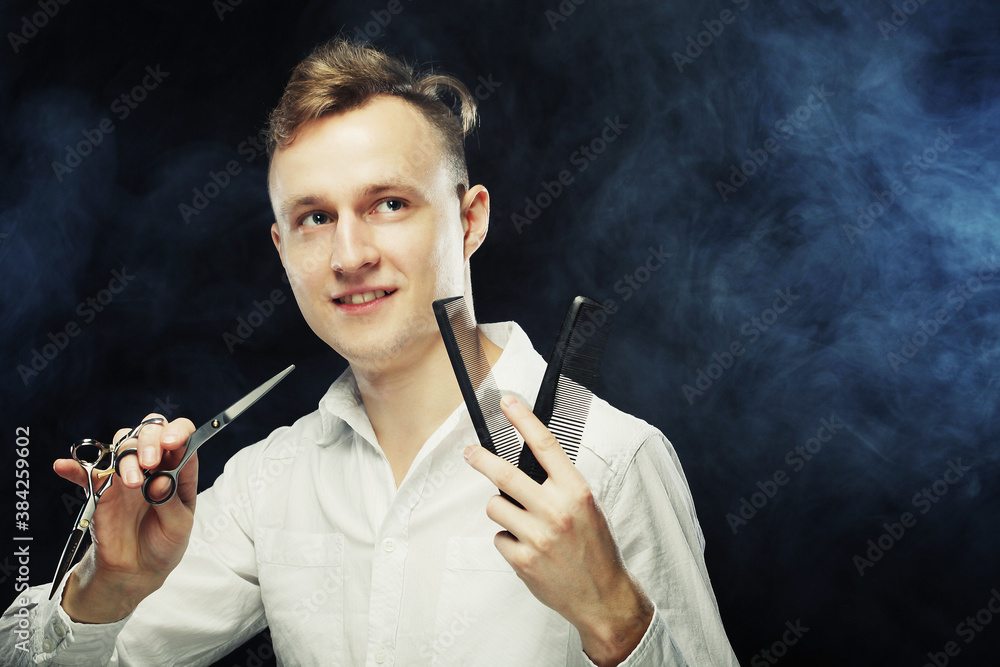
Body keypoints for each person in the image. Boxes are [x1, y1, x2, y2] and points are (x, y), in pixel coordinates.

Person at [2, 39, 739, 666]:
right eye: (315, 217)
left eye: (389, 203)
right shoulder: (272, 484)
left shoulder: (612, 459)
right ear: (283, 249)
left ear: (469, 219)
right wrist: (108, 588)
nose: (349, 254)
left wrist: (617, 619)